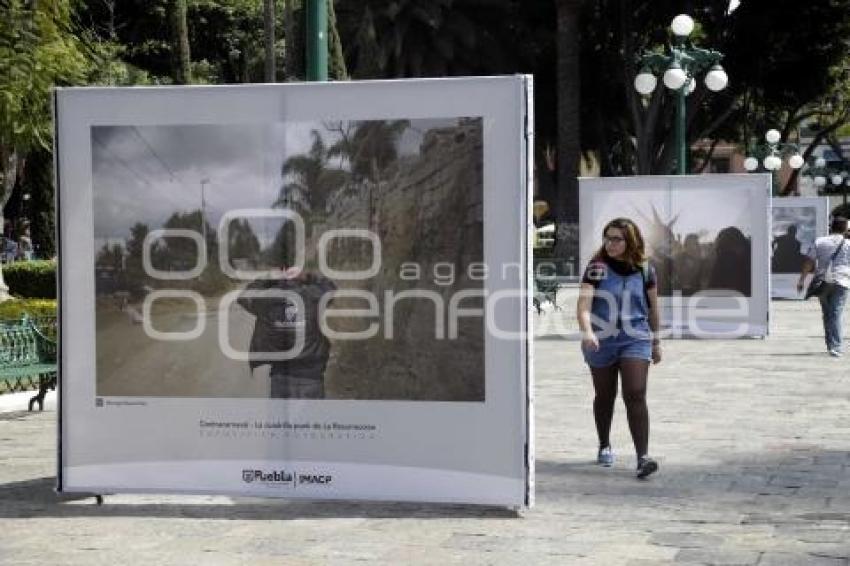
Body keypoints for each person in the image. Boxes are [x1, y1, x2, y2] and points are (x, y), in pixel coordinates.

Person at [576, 217, 662, 479]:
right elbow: (583, 305)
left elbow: (653, 308)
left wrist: (656, 340)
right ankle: (604, 444)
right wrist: (588, 331)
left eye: (617, 239)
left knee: (635, 393)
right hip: (601, 340)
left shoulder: (645, 269)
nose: (610, 243)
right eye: (607, 238)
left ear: (630, 241)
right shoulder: (596, 268)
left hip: (635, 337)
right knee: (605, 396)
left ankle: (643, 457)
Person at [238, 267, 336, 398]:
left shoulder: (267, 300)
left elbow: (244, 297)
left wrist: (268, 278)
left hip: (280, 378)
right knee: (313, 418)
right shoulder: (313, 295)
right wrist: (308, 275)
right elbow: (330, 288)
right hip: (311, 377)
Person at [797, 216, 850, 357]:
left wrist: (802, 280)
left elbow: (809, 261)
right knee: (835, 313)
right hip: (842, 281)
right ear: (845, 229)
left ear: (831, 227)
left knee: (827, 313)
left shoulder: (820, 241)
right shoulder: (848, 244)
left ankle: (831, 344)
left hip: (823, 282)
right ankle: (836, 346)